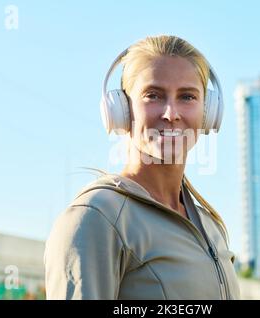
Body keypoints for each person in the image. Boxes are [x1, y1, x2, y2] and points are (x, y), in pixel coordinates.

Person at [44, 35, 240, 299]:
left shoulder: (210, 226)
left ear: (208, 112)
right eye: (153, 95)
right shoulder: (96, 218)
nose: (171, 113)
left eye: (187, 96)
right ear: (122, 109)